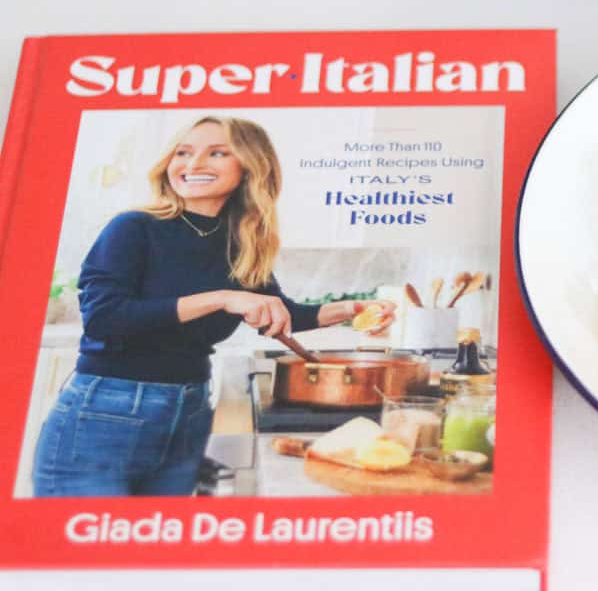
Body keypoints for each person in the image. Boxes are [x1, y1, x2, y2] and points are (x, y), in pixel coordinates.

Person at [32, 116, 395, 496]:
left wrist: (351, 309)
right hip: (107, 412)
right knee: (88, 552)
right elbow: (106, 320)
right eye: (183, 152)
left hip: (188, 410)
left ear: (250, 168)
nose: (192, 164)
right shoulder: (133, 228)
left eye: (217, 153)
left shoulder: (240, 243)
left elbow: (282, 313)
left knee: (153, 550)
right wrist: (223, 298)